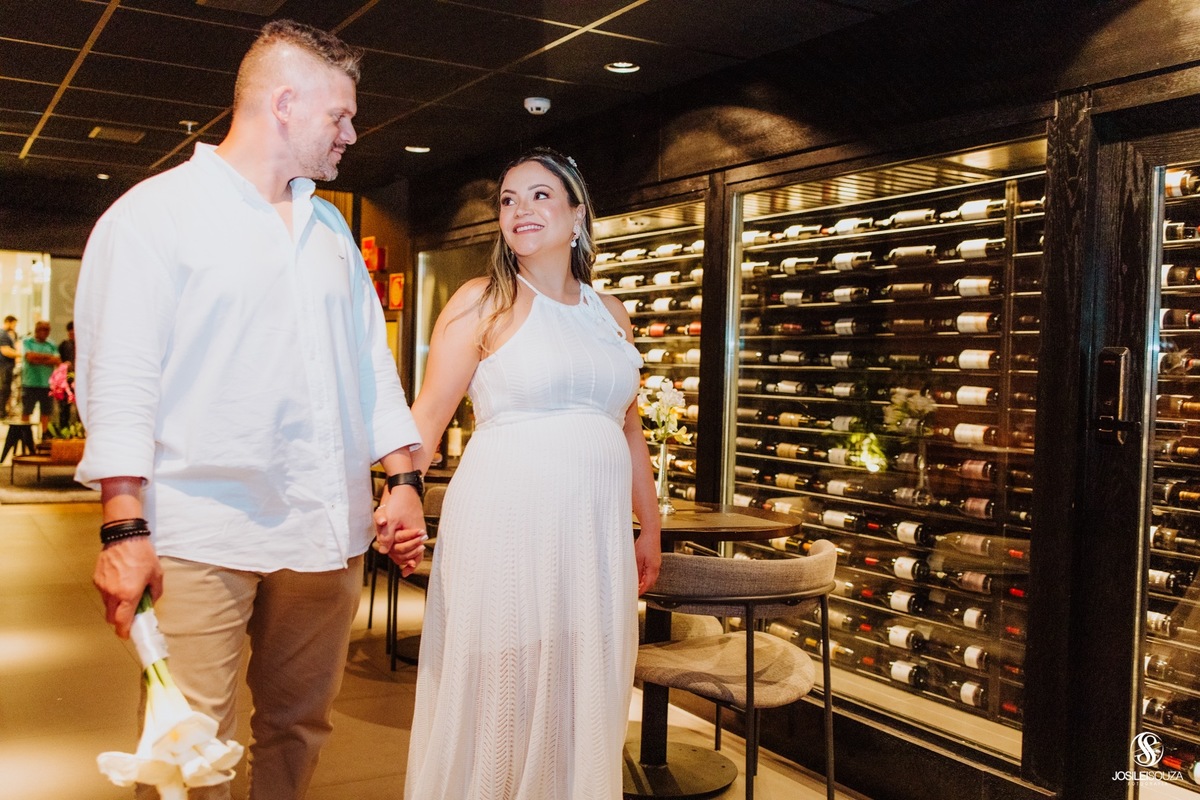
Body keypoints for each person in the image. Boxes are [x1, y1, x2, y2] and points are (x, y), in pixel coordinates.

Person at [73, 19, 428, 800]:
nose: (352, 133)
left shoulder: (331, 227)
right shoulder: (152, 216)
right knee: (189, 743)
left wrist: (402, 480)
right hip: (203, 528)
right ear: (284, 103)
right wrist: (124, 526)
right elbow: (121, 382)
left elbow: (371, 365)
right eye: (339, 115)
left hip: (324, 527)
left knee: (301, 726)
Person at [402, 147, 662, 799]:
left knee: (586, 679)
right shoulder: (481, 301)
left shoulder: (611, 314)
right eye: (509, 199)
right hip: (506, 522)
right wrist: (401, 491)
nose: (521, 209)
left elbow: (629, 428)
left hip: (595, 532)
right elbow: (427, 418)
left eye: (541, 196)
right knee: (505, 683)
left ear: (578, 216)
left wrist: (649, 526)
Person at [21, 320, 60, 433]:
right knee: (27, 411)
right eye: (42, 329)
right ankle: (25, 435)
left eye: (46, 329)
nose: (44, 332)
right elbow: (30, 358)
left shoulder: (51, 344)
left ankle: (44, 435)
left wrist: (38, 358)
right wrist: (48, 358)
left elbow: (56, 360)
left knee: (46, 412)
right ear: (36, 330)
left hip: (46, 384)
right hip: (30, 383)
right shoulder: (27, 342)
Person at [56, 320, 76, 428]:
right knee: (64, 407)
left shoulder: (84, 346)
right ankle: (64, 429)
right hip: (66, 379)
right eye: (71, 332)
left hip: (80, 380)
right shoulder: (64, 345)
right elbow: (58, 362)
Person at [0, 315, 16, 418]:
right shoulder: (3, 335)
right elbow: (5, 351)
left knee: (5, 390)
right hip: (4, 367)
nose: (15, 326)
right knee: (4, 390)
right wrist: (21, 354)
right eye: (14, 324)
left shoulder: (6, 334)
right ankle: (1, 411)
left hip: (6, 367)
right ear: (9, 322)